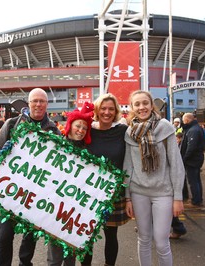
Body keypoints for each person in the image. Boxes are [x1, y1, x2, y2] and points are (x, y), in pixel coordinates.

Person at [0, 88, 61, 266]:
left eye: (42, 101)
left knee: (30, 237)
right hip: (10, 190)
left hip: (35, 194)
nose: (38, 104)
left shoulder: (53, 129)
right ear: (28, 103)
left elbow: (58, 163)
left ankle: (25, 263)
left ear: (46, 104)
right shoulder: (11, 124)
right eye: (34, 101)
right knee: (4, 236)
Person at [123, 90, 185, 266]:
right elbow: (128, 166)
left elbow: (176, 164)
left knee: (161, 242)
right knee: (143, 239)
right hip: (138, 192)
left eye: (145, 103)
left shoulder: (165, 127)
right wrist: (127, 197)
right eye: (137, 104)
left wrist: (178, 197)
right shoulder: (129, 132)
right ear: (132, 107)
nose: (142, 107)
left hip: (163, 192)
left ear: (151, 105)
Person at [83, 93, 130, 266]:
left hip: (113, 192)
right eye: (103, 108)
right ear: (97, 110)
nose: (107, 112)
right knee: (86, 235)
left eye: (111, 109)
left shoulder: (123, 131)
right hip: (88, 192)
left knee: (111, 235)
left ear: (116, 111)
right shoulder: (88, 129)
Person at [47, 101, 94, 266]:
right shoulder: (56, 146)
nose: (80, 130)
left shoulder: (89, 153)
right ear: (70, 125)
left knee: (70, 254)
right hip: (55, 206)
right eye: (78, 126)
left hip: (76, 209)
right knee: (55, 253)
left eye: (84, 128)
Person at [181, 113, 205, 208]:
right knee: (196, 180)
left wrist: (184, 158)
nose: (183, 122)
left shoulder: (193, 130)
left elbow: (191, 147)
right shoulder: (196, 128)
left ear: (187, 120)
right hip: (196, 158)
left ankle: (196, 200)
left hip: (192, 160)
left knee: (193, 181)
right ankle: (198, 199)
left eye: (183, 121)